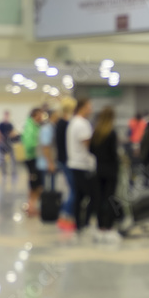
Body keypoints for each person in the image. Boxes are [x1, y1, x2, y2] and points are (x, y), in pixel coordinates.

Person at [91, 106, 121, 242]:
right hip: (111, 170)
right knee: (109, 199)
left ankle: (99, 226)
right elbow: (114, 154)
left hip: (98, 169)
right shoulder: (112, 133)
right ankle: (108, 226)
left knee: (99, 198)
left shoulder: (96, 133)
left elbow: (91, 150)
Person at [67, 99, 97, 234]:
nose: (90, 110)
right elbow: (88, 144)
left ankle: (79, 224)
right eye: (89, 107)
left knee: (79, 195)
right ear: (82, 108)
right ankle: (84, 223)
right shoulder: (82, 124)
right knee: (91, 195)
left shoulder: (73, 122)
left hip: (75, 163)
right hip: (82, 164)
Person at [56, 99, 76, 231]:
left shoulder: (61, 123)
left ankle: (66, 214)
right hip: (66, 161)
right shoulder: (65, 124)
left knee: (72, 189)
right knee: (74, 189)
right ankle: (65, 214)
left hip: (64, 160)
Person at [21, 108, 44, 217]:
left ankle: (33, 206)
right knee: (34, 184)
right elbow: (29, 144)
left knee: (38, 184)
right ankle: (31, 207)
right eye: (39, 116)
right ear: (35, 116)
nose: (41, 118)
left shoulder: (35, 126)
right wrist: (40, 145)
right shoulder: (30, 126)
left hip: (36, 158)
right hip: (32, 158)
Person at [37, 110, 58, 206]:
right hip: (46, 163)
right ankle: (47, 206)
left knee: (51, 187)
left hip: (48, 162)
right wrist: (50, 163)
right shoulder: (47, 129)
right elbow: (45, 147)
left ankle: (50, 205)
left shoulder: (52, 128)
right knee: (47, 187)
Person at [0, 111, 17, 184]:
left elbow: (13, 132)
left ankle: (13, 173)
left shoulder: (10, 125)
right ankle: (4, 173)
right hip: (2, 143)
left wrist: (11, 134)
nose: (6, 117)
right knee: (2, 159)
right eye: (5, 115)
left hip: (9, 143)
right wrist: (1, 138)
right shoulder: (1, 124)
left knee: (13, 158)